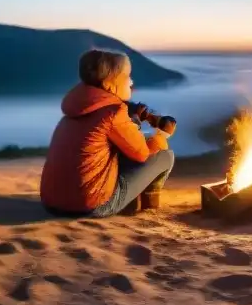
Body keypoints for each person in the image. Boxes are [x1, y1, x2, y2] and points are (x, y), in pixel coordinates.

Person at [40, 48, 175, 218]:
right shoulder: (113, 112)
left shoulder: (75, 109)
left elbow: (102, 135)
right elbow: (142, 154)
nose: (131, 83)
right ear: (111, 83)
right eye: (127, 77)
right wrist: (162, 134)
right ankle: (147, 206)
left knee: (121, 153)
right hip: (90, 206)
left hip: (51, 203)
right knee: (165, 156)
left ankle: (131, 199)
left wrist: (132, 118)